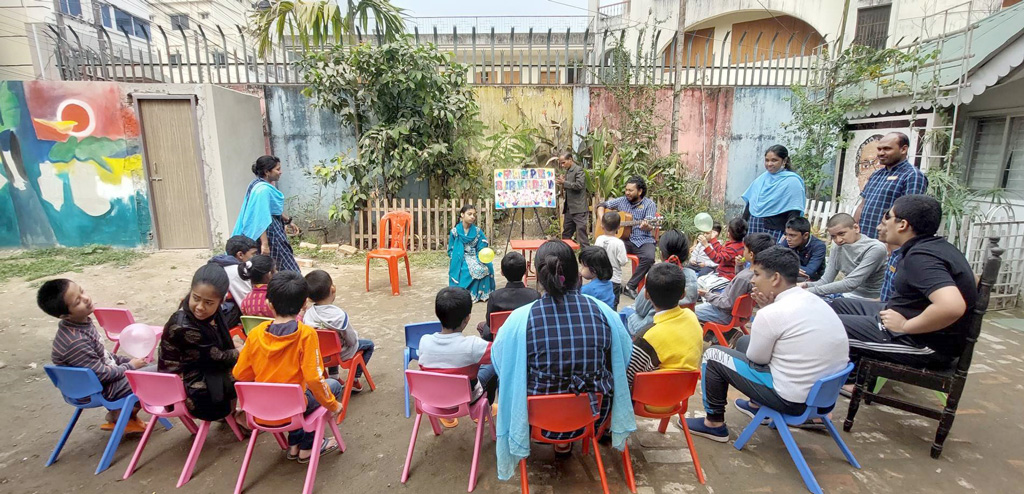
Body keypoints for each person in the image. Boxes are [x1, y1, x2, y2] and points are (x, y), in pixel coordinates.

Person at [491, 240, 634, 476]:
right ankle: (566, 439)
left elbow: (502, 365)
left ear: (537, 273)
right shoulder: (603, 311)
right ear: (576, 273)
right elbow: (623, 358)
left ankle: (556, 436)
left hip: (537, 419)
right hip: (593, 416)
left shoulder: (520, 319)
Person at [684, 247, 849, 441]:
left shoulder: (771, 314)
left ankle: (713, 423)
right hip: (823, 398)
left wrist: (765, 313)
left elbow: (757, 359)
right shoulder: (815, 301)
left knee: (714, 355)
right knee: (745, 341)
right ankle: (756, 406)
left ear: (775, 278)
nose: (752, 280)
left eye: (756, 274)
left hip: (792, 400)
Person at [833, 195, 977, 381]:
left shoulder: (921, 258)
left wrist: (906, 326)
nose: (881, 223)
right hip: (902, 316)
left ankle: (847, 381)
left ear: (902, 225)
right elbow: (971, 279)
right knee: (837, 305)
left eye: (888, 216)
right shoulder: (936, 247)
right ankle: (853, 373)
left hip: (925, 344)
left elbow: (952, 306)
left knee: (824, 326)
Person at [233, 271, 343, 462]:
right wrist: (334, 405)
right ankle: (307, 447)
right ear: (304, 304)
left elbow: (239, 373)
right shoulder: (306, 335)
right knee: (332, 386)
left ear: (269, 304)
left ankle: (294, 445)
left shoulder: (255, 334)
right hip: (293, 409)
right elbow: (314, 379)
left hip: (259, 411)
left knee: (299, 392)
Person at [40, 279, 147, 432]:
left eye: (82, 291)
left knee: (152, 367)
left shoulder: (80, 325)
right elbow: (101, 374)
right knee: (157, 375)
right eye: (78, 302)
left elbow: (103, 357)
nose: (86, 299)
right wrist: (130, 366)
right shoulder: (75, 341)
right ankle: (123, 415)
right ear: (65, 315)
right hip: (99, 389)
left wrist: (125, 361)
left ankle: (124, 414)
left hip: (99, 383)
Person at [159, 264, 243, 424]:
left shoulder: (212, 315)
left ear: (221, 300)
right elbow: (217, 358)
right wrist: (242, 350)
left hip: (200, 367)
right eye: (196, 298)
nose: (200, 307)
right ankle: (237, 415)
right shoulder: (184, 326)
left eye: (209, 303)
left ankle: (235, 413)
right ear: (190, 292)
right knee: (247, 372)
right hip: (187, 388)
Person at [418, 286, 496, 427]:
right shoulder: (473, 345)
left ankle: (446, 417)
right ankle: (485, 409)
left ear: (437, 313)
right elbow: (500, 354)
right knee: (492, 366)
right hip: (466, 400)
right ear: (467, 318)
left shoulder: (424, 341)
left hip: (432, 398)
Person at [625, 263, 703, 387]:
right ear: (683, 294)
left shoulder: (647, 336)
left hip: (648, 402)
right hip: (682, 394)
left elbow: (629, 377)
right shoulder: (692, 316)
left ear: (646, 295)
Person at [303, 270, 375, 390]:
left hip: (319, 355)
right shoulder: (339, 316)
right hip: (340, 354)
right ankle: (354, 379)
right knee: (368, 345)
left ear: (309, 298)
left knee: (329, 343)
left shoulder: (308, 315)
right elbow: (352, 340)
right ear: (333, 289)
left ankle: (334, 377)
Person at [853, 132, 928, 239]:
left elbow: (910, 215)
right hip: (864, 241)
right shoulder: (876, 175)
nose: (881, 153)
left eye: (887, 149)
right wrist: (853, 232)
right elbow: (862, 206)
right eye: (879, 149)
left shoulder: (912, 176)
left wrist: (892, 246)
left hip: (887, 244)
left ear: (903, 149)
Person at [232, 155, 300, 272]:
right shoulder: (262, 190)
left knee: (269, 269)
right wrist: (265, 244)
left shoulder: (257, 184)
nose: (280, 172)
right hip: (271, 235)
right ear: (267, 172)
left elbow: (270, 209)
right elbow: (260, 218)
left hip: (271, 232)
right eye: (277, 169)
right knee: (290, 269)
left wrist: (288, 221)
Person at [626, 230, 699, 337]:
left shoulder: (656, 275)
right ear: (687, 253)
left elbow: (640, 309)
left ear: (661, 254)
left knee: (627, 313)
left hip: (654, 327)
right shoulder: (692, 275)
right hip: (681, 326)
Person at [596, 176, 658, 299]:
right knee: (604, 249)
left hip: (643, 239)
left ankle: (630, 286)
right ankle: (608, 282)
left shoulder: (649, 204)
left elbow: (650, 225)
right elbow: (601, 205)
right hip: (623, 240)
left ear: (640, 191)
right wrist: (603, 219)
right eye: (626, 190)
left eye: (631, 190)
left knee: (649, 258)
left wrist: (647, 226)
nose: (627, 193)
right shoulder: (621, 201)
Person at [694, 233, 775, 326]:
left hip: (725, 314)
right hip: (741, 315)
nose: (743, 251)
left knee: (690, 312)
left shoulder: (744, 278)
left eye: (744, 249)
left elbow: (728, 304)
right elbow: (742, 284)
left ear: (751, 254)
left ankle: (715, 334)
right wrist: (739, 266)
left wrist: (706, 295)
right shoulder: (758, 275)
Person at [801, 213, 887, 299]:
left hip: (869, 299)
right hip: (845, 295)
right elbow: (825, 281)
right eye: (833, 236)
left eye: (842, 234)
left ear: (856, 228)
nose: (838, 240)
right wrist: (804, 285)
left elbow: (851, 283)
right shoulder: (837, 247)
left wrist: (808, 291)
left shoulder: (875, 248)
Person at [741, 145, 806, 243]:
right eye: (767, 160)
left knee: (771, 256)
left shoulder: (792, 182)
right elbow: (750, 205)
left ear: (784, 161)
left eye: (774, 160)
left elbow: (794, 212)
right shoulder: (761, 180)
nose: (769, 164)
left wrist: (787, 234)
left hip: (775, 230)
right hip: (753, 227)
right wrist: (742, 227)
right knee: (751, 256)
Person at [476, 252, 540, 341]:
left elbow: (490, 323)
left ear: (502, 272)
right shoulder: (535, 295)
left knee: (481, 326)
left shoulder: (495, 296)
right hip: (525, 334)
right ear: (526, 271)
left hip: (501, 335)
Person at [447, 204, 495, 302]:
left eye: (474, 214)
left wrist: (480, 253)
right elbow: (451, 250)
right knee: (469, 268)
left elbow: (482, 244)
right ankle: (467, 294)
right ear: (462, 215)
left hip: (476, 255)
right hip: (461, 257)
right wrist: (457, 257)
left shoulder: (477, 231)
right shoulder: (455, 232)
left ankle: (482, 293)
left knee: (487, 266)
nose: (472, 217)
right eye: (469, 214)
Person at [209, 235, 259, 328]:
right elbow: (246, 305)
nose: (255, 257)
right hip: (217, 318)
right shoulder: (237, 271)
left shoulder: (219, 262)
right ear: (240, 255)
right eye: (253, 254)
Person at [696, 217, 747, 291]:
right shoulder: (736, 244)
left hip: (728, 278)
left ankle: (709, 301)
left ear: (729, 233)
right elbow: (721, 251)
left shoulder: (733, 248)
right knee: (700, 280)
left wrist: (706, 245)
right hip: (721, 274)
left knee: (707, 287)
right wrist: (713, 239)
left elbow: (718, 258)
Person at [594, 212, 630, 307]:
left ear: (602, 226)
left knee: (599, 302)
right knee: (612, 304)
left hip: (599, 277)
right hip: (614, 279)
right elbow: (623, 262)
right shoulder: (619, 243)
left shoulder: (599, 239)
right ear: (619, 227)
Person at [556, 151, 589, 247]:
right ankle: (566, 256)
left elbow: (579, 185)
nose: (562, 165)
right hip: (569, 209)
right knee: (566, 234)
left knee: (582, 235)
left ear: (570, 160)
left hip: (578, 208)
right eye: (561, 163)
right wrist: (562, 183)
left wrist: (564, 182)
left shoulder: (578, 170)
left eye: (563, 162)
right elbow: (568, 187)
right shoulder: (568, 170)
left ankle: (587, 257)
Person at [778, 216, 826, 281]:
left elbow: (809, 272)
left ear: (805, 235)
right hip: (794, 274)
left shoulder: (819, 246)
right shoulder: (788, 241)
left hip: (813, 281)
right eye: (787, 234)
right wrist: (791, 268)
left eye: (792, 235)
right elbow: (772, 258)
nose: (788, 238)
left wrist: (784, 267)